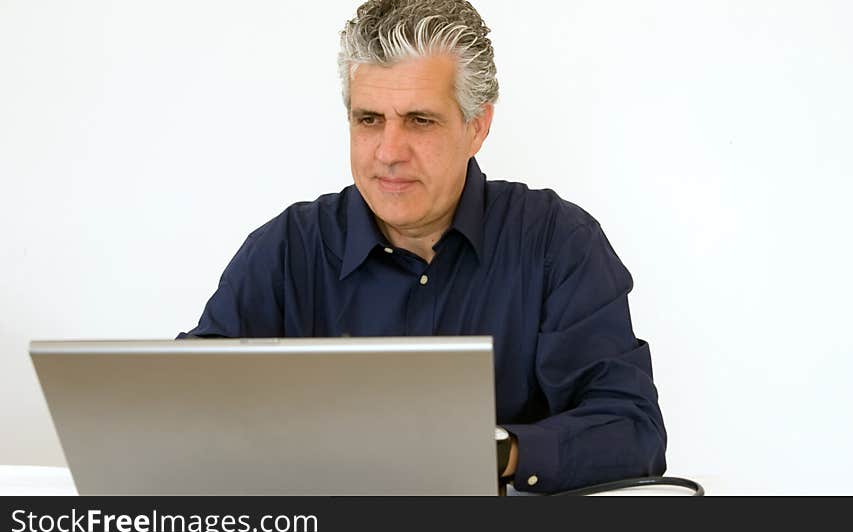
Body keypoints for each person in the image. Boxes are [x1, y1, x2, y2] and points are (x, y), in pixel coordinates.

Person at [178, 0, 666, 494]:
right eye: (369, 119)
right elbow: (182, 411)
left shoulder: (556, 244)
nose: (389, 152)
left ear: (477, 127)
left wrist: (491, 450)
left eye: (420, 120)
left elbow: (632, 430)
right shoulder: (286, 251)